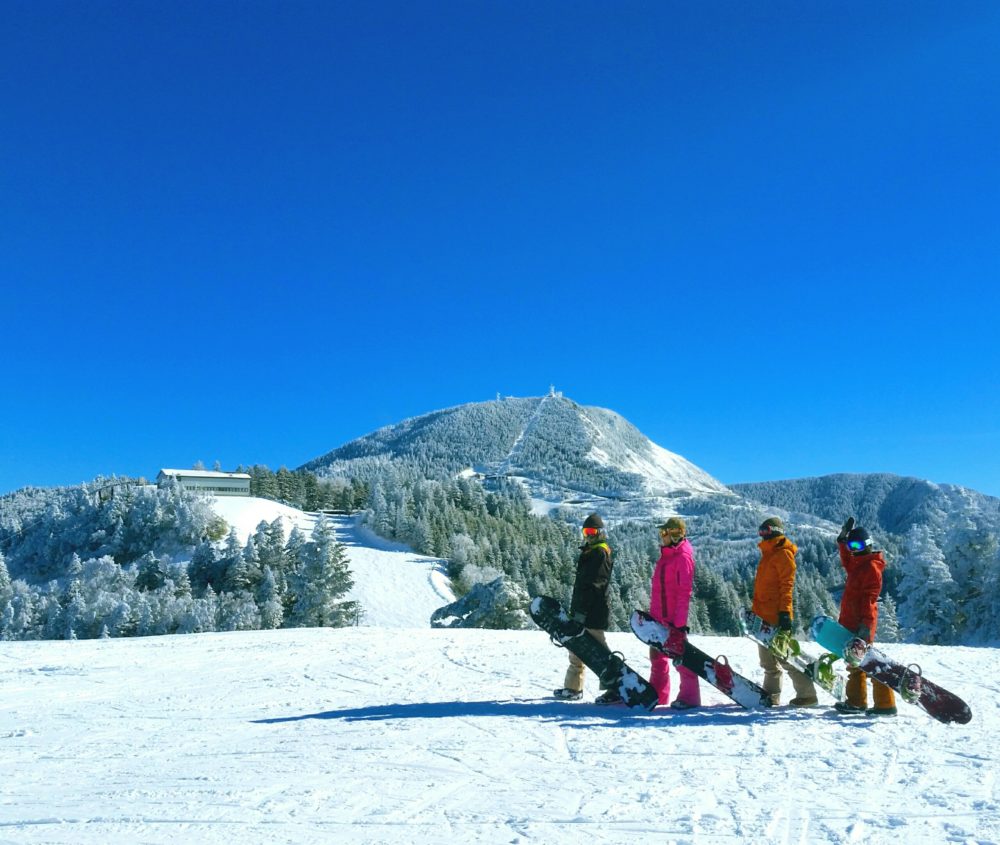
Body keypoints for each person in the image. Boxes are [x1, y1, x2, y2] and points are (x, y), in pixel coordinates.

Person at [751, 517, 818, 707]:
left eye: (765, 531)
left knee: (784, 656)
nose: (762, 535)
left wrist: (785, 614)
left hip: (775, 615)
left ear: (775, 531)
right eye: (760, 531)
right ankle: (771, 697)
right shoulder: (768, 553)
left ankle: (807, 695)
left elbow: (786, 587)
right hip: (761, 615)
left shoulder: (783, 554)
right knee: (767, 661)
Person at [834, 518, 897, 716]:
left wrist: (865, 629)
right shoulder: (859, 563)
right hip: (851, 622)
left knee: (869, 663)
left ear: (868, 545)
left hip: (861, 624)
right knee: (855, 664)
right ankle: (856, 703)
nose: (854, 549)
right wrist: (842, 541)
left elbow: (870, 601)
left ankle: (885, 705)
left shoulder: (870, 567)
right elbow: (847, 561)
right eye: (852, 546)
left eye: (857, 545)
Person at [553, 512, 617, 703]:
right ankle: (573, 688)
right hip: (582, 610)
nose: (588, 535)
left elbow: (595, 585)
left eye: (592, 531)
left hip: (594, 612)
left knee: (599, 653)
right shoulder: (590, 551)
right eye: (585, 531)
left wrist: (582, 613)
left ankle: (616, 688)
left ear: (600, 532)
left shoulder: (600, 552)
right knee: (575, 647)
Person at [648, 517, 701, 709]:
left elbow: (684, 593)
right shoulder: (666, 556)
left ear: (675, 535)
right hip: (658, 617)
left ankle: (690, 697)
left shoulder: (683, 558)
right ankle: (658, 695)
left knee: (680, 658)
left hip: (673, 619)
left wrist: (678, 624)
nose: (661, 537)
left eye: (665, 533)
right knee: (657, 657)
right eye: (661, 533)